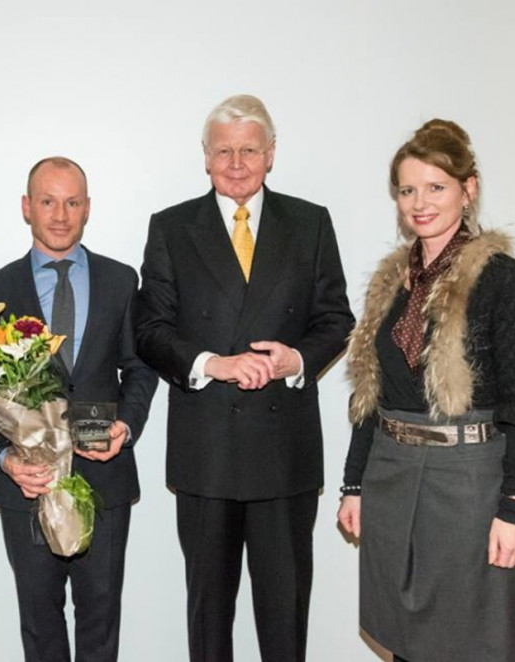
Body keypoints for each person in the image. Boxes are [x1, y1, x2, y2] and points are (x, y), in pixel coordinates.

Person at [135, 94, 354, 662]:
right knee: (209, 617)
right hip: (206, 451)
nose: (237, 164)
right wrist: (214, 364)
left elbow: (336, 320)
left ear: (271, 154)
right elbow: (150, 330)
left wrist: (294, 360)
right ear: (206, 157)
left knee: (285, 616)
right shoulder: (171, 227)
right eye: (224, 151)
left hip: (285, 453)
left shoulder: (309, 222)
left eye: (249, 151)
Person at [337, 119, 515, 662]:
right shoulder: (390, 282)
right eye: (407, 190)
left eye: (436, 187)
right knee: (405, 643)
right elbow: (370, 391)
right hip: (390, 475)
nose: (420, 203)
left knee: (474, 641)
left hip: (469, 483)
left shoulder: (502, 278)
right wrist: (354, 484)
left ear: (467, 189)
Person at [0, 157, 157, 661]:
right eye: (48, 201)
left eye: (72, 202)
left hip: (105, 478)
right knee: (40, 626)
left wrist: (127, 425)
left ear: (87, 208)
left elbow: (139, 368)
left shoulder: (121, 280)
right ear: (26, 207)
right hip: (29, 483)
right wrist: (6, 460)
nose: (60, 215)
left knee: (101, 624)